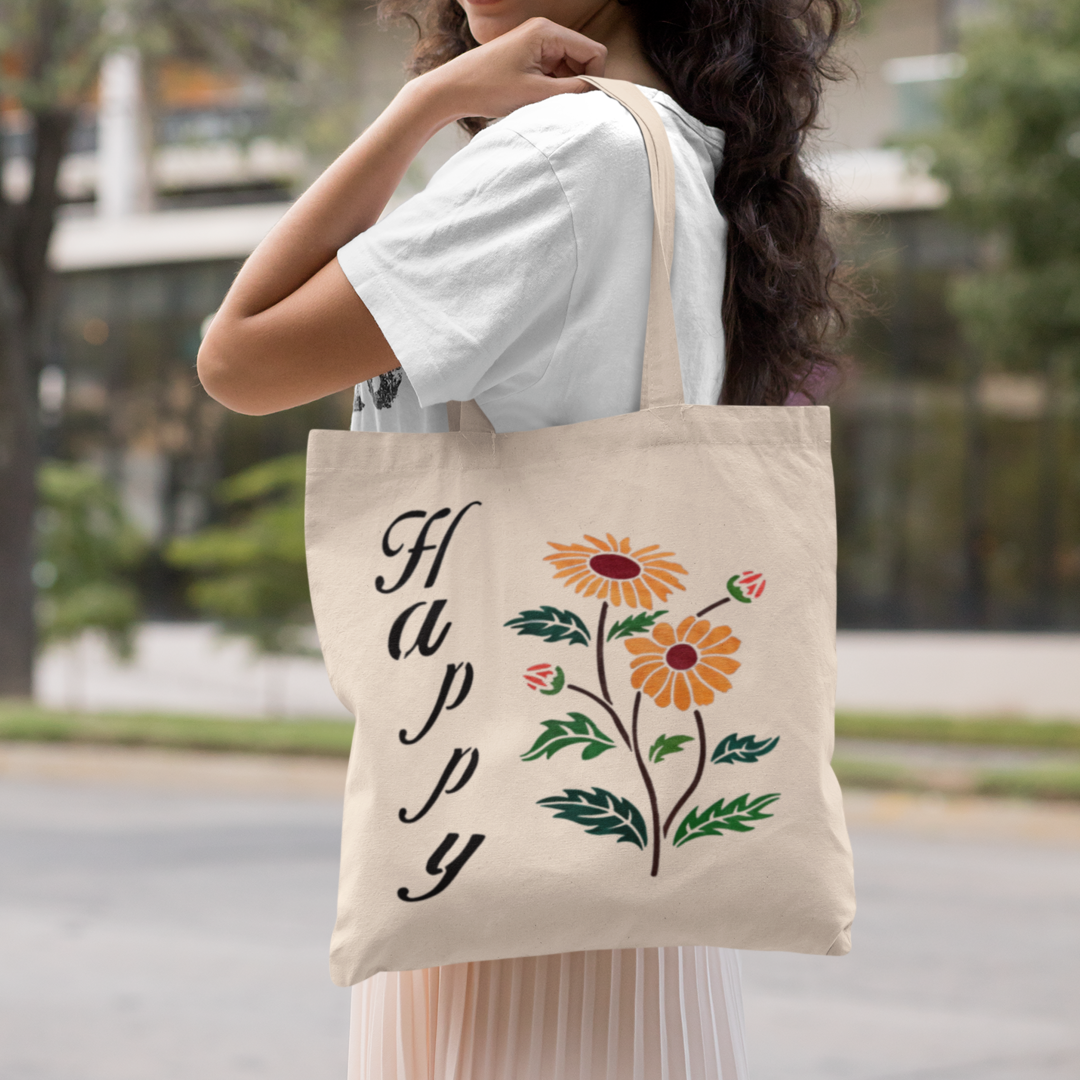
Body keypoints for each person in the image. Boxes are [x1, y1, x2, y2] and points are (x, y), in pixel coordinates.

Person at [199, 1, 852, 1076]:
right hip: (626, 870)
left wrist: (422, 106)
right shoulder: (678, 144)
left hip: (504, 868)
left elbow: (239, 357)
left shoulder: (564, 155)